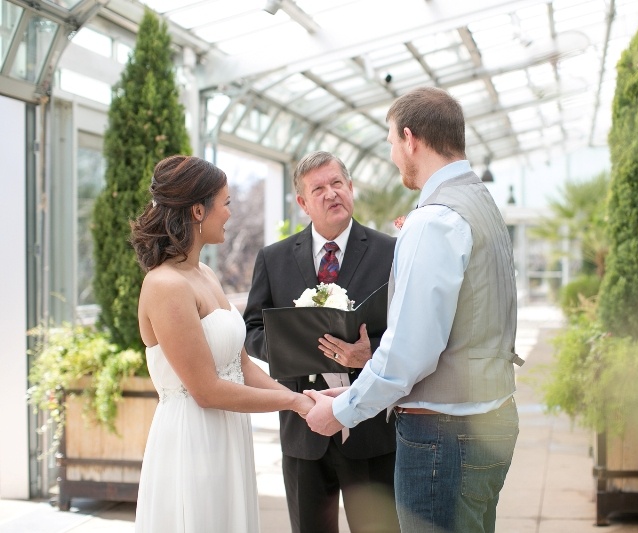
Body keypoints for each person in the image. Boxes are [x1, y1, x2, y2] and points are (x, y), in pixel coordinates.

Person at [304, 86, 524, 533]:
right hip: (489, 419)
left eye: (389, 143)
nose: (390, 154)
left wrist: (343, 409)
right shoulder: (480, 201)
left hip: (445, 437)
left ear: (410, 139)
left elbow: (411, 351)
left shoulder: (435, 219)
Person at [130, 155, 314, 533]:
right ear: (198, 210)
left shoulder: (207, 274)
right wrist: (295, 402)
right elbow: (207, 391)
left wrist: (303, 401)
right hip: (192, 441)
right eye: (226, 203)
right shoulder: (165, 286)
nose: (230, 213)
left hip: (228, 434)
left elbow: (242, 366)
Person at [243, 151, 400, 533]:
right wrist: (298, 348)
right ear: (302, 203)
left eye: (337, 184)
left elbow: (409, 330)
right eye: (319, 188)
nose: (331, 194)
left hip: (371, 430)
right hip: (303, 431)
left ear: (351, 188)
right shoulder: (274, 258)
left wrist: (370, 353)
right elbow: (252, 330)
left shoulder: (391, 252)